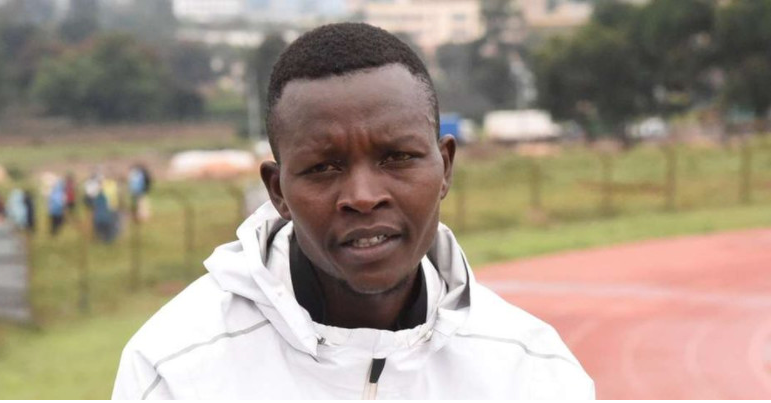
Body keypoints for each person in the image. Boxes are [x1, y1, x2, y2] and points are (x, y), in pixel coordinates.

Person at [113, 23, 594, 399]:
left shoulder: (530, 370)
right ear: (278, 191)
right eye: (323, 167)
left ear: (445, 167)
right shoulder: (176, 369)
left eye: (397, 157)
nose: (363, 197)